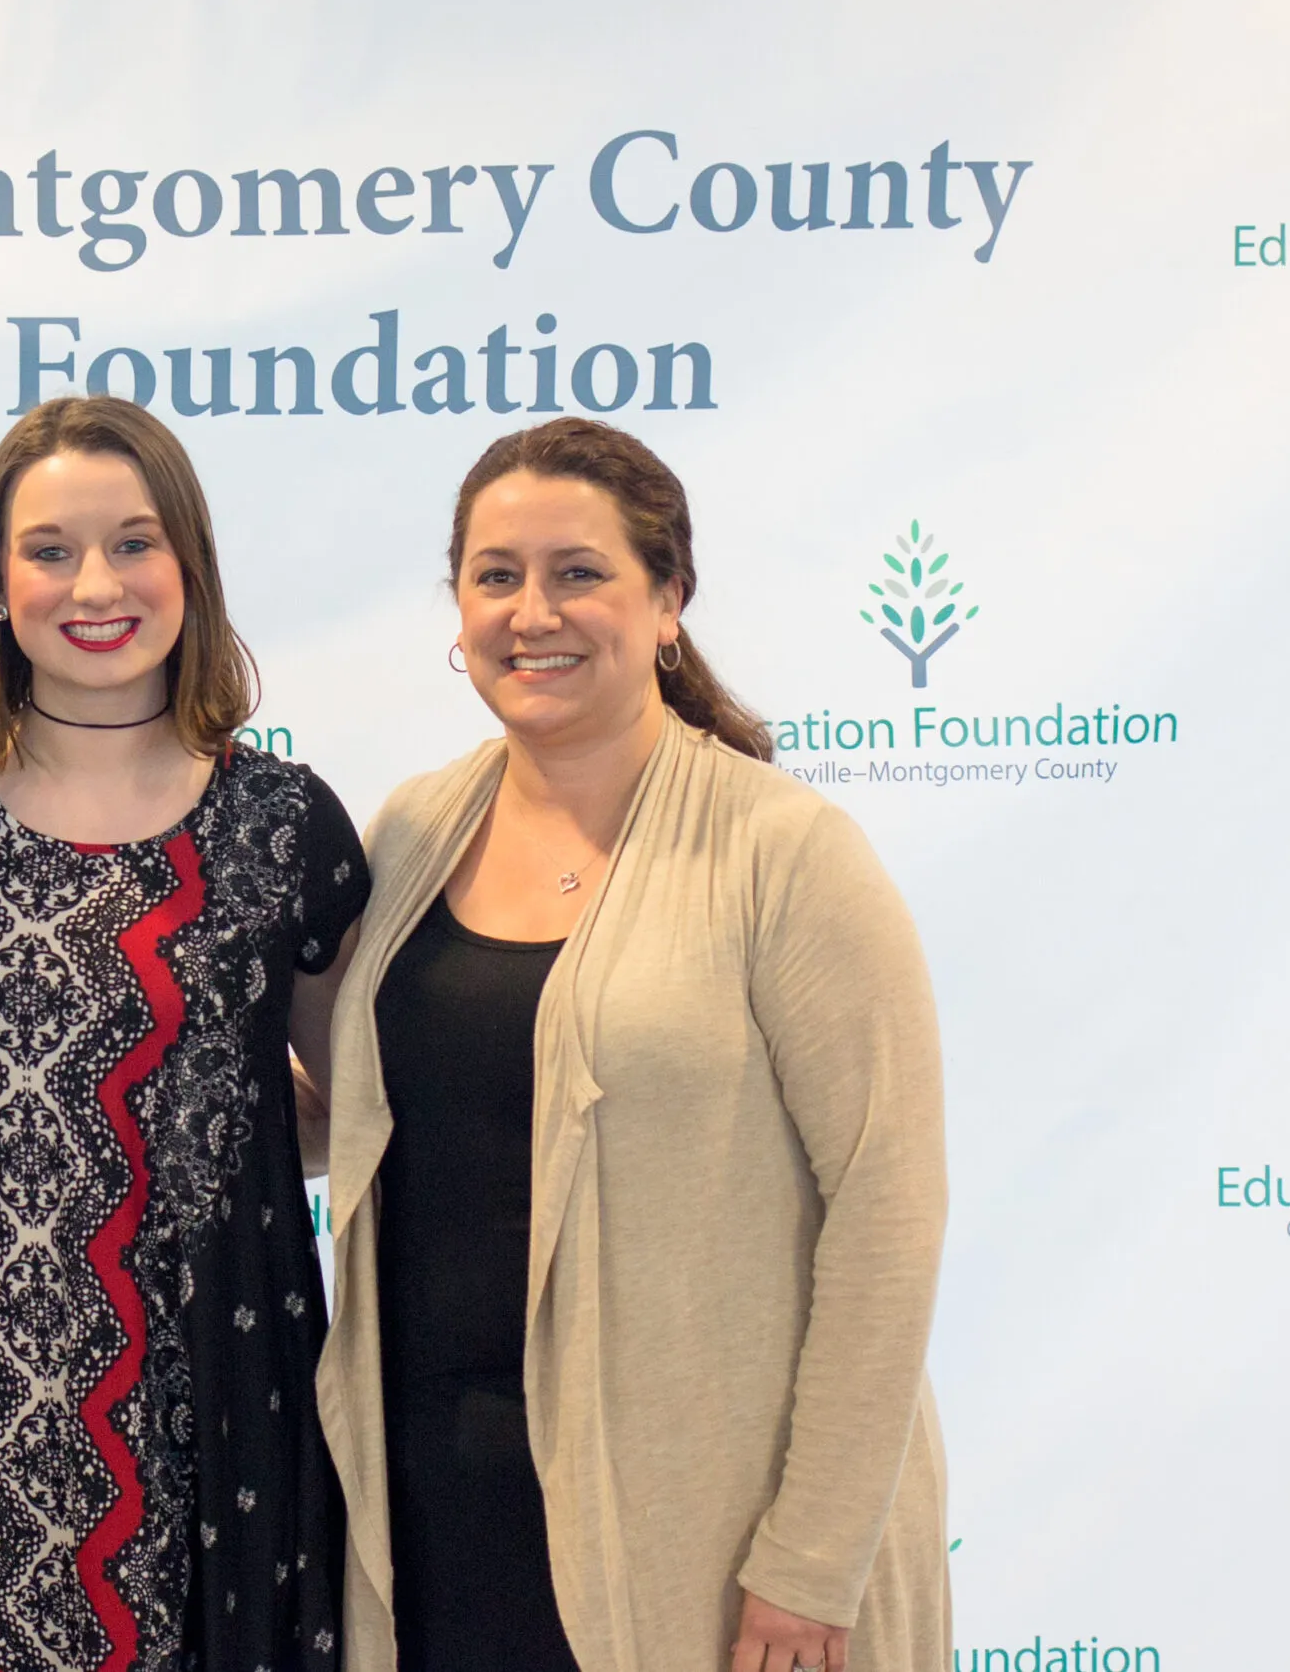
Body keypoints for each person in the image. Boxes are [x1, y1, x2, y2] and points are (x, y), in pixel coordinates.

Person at [313, 418, 950, 1672]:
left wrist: (811, 1559)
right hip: (443, 1519)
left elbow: (888, 1212)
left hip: (705, 1537)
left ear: (667, 601)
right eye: (496, 576)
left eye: (578, 572)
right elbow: (363, 1103)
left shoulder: (783, 855)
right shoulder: (411, 831)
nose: (531, 612)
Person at [0, 397, 365, 1672]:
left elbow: (361, 1109)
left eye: (135, 543)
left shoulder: (282, 826)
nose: (95, 585)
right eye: (49, 550)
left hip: (214, 1427)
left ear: (189, 565)